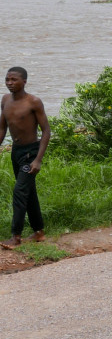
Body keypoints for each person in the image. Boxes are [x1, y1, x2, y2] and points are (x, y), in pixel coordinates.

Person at [0, 67, 49, 249]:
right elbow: (2, 128)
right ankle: (39, 232)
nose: (10, 83)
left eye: (14, 80)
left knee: (20, 192)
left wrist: (38, 159)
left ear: (24, 82)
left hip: (31, 152)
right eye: (7, 79)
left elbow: (46, 131)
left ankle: (16, 236)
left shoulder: (33, 102)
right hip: (16, 152)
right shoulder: (5, 100)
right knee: (29, 193)